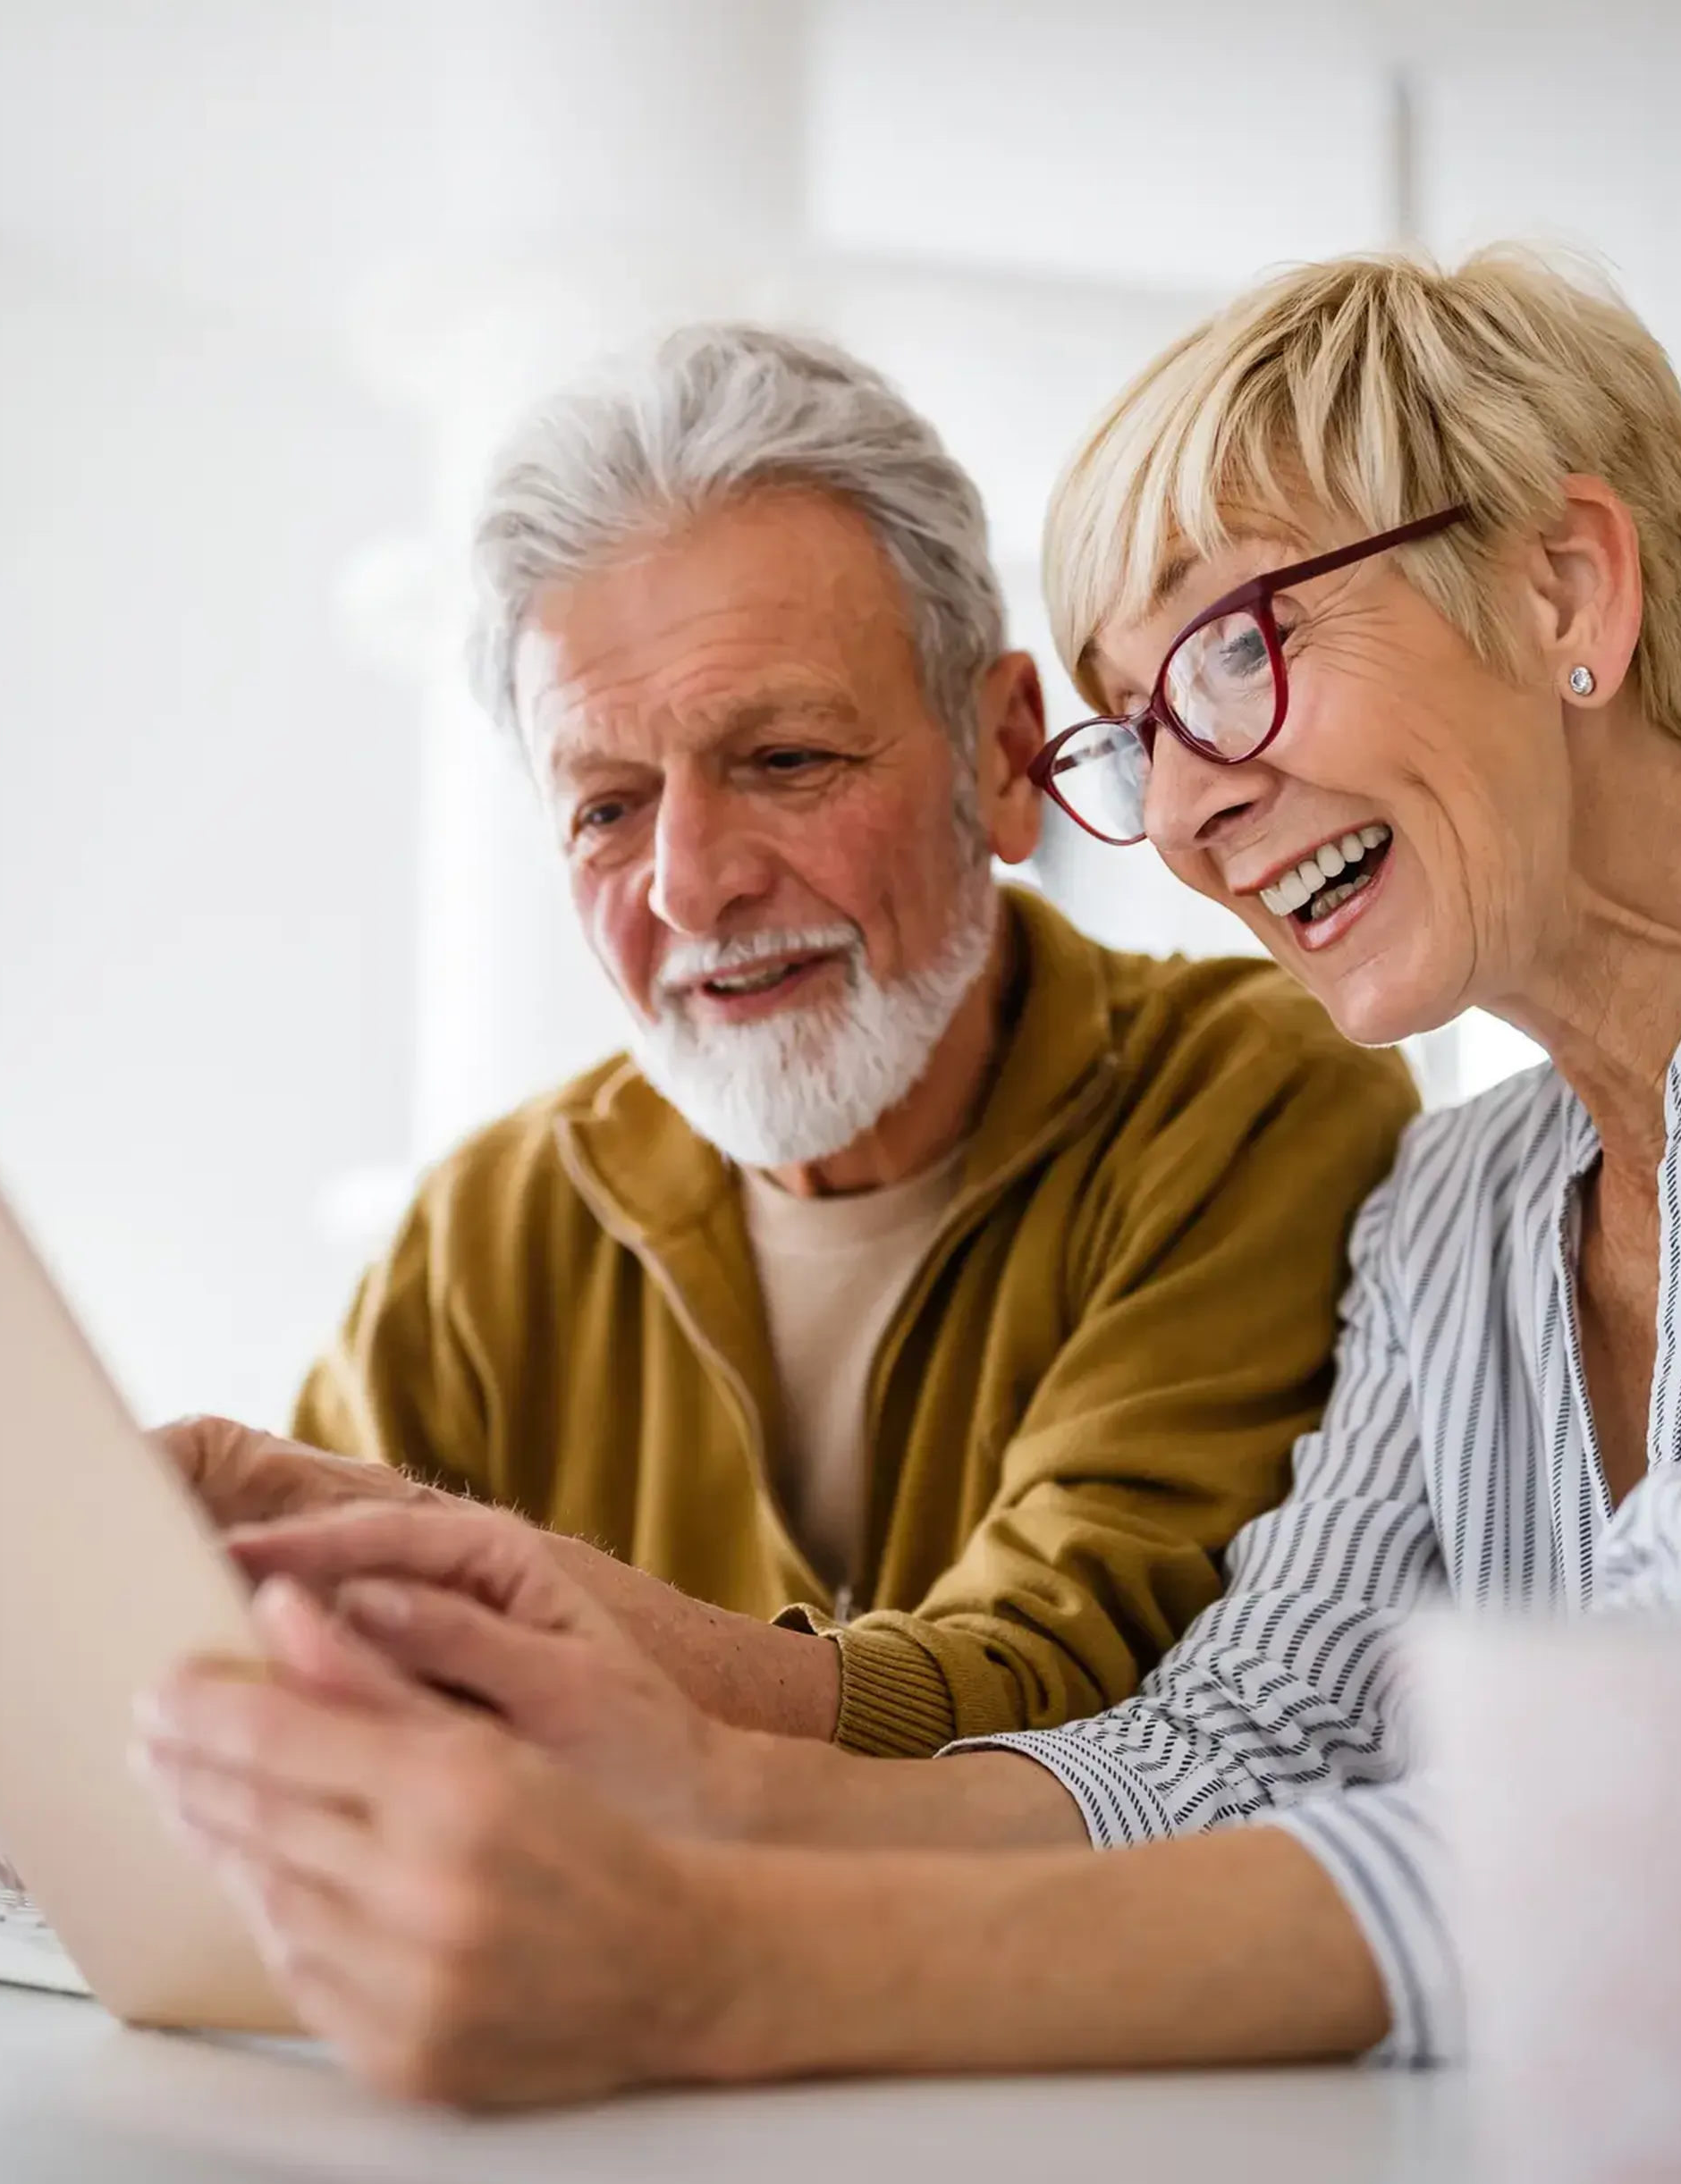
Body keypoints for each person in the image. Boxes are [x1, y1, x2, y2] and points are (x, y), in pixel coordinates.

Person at [131, 249, 1681, 2105]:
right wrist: (702, 1779)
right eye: (1137, 733)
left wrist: (728, 1961)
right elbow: (1224, 1750)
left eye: (1240, 659)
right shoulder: (1466, 1210)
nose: (1177, 814)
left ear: (1569, 595)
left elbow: (1676, 1802)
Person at [163, 327, 1416, 1763]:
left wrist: (484, 1597)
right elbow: (280, 1702)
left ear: (1005, 758)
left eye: (787, 761)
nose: (690, 885)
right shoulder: (485, 1237)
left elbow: (1076, 1706)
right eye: (606, 808)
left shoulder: (1250, 1099)